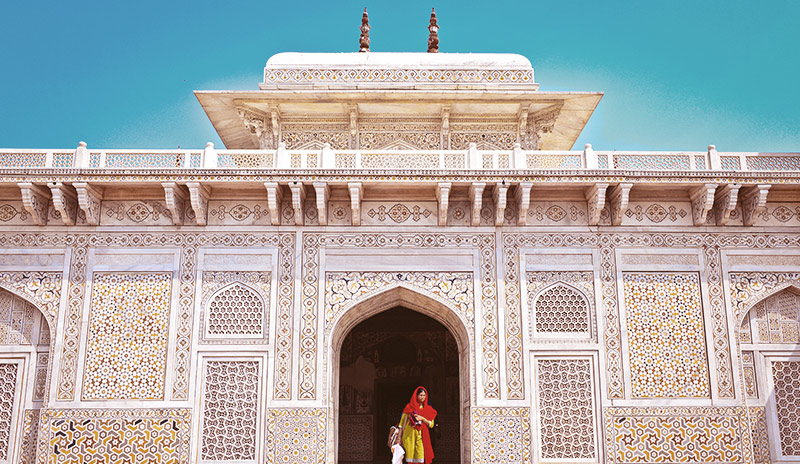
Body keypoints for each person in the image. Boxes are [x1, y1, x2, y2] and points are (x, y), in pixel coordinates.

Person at [397, 386, 437, 464]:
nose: (422, 397)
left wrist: (422, 419)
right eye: (420, 395)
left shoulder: (428, 409)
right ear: (416, 396)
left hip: (421, 436)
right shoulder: (409, 407)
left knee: (420, 458)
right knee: (409, 459)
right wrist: (399, 437)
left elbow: (431, 424)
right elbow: (401, 424)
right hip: (409, 436)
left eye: (424, 395)